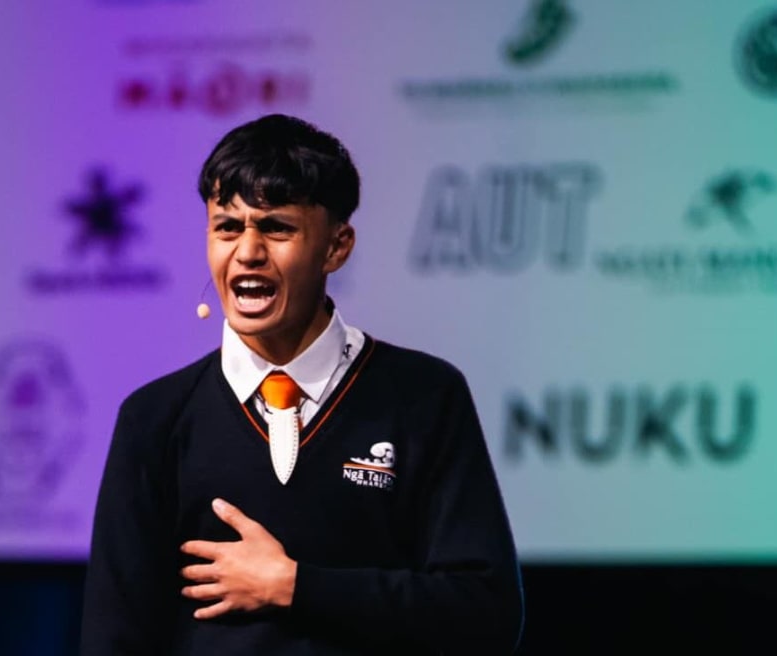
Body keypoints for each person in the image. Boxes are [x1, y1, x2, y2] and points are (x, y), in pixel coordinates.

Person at [80, 113, 524, 655]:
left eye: (276, 227)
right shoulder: (155, 417)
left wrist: (296, 587)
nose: (247, 250)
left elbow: (485, 612)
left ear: (337, 247)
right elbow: (114, 638)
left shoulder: (425, 396)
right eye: (227, 226)